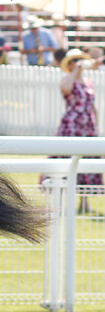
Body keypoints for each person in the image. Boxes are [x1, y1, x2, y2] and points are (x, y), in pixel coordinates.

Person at [54, 49, 104, 214]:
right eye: (74, 61)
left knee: (87, 163)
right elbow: (66, 89)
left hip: (87, 126)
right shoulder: (67, 80)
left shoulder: (88, 82)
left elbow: (93, 106)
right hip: (72, 125)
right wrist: (75, 70)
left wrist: (96, 126)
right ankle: (61, 202)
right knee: (65, 162)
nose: (78, 63)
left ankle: (84, 202)